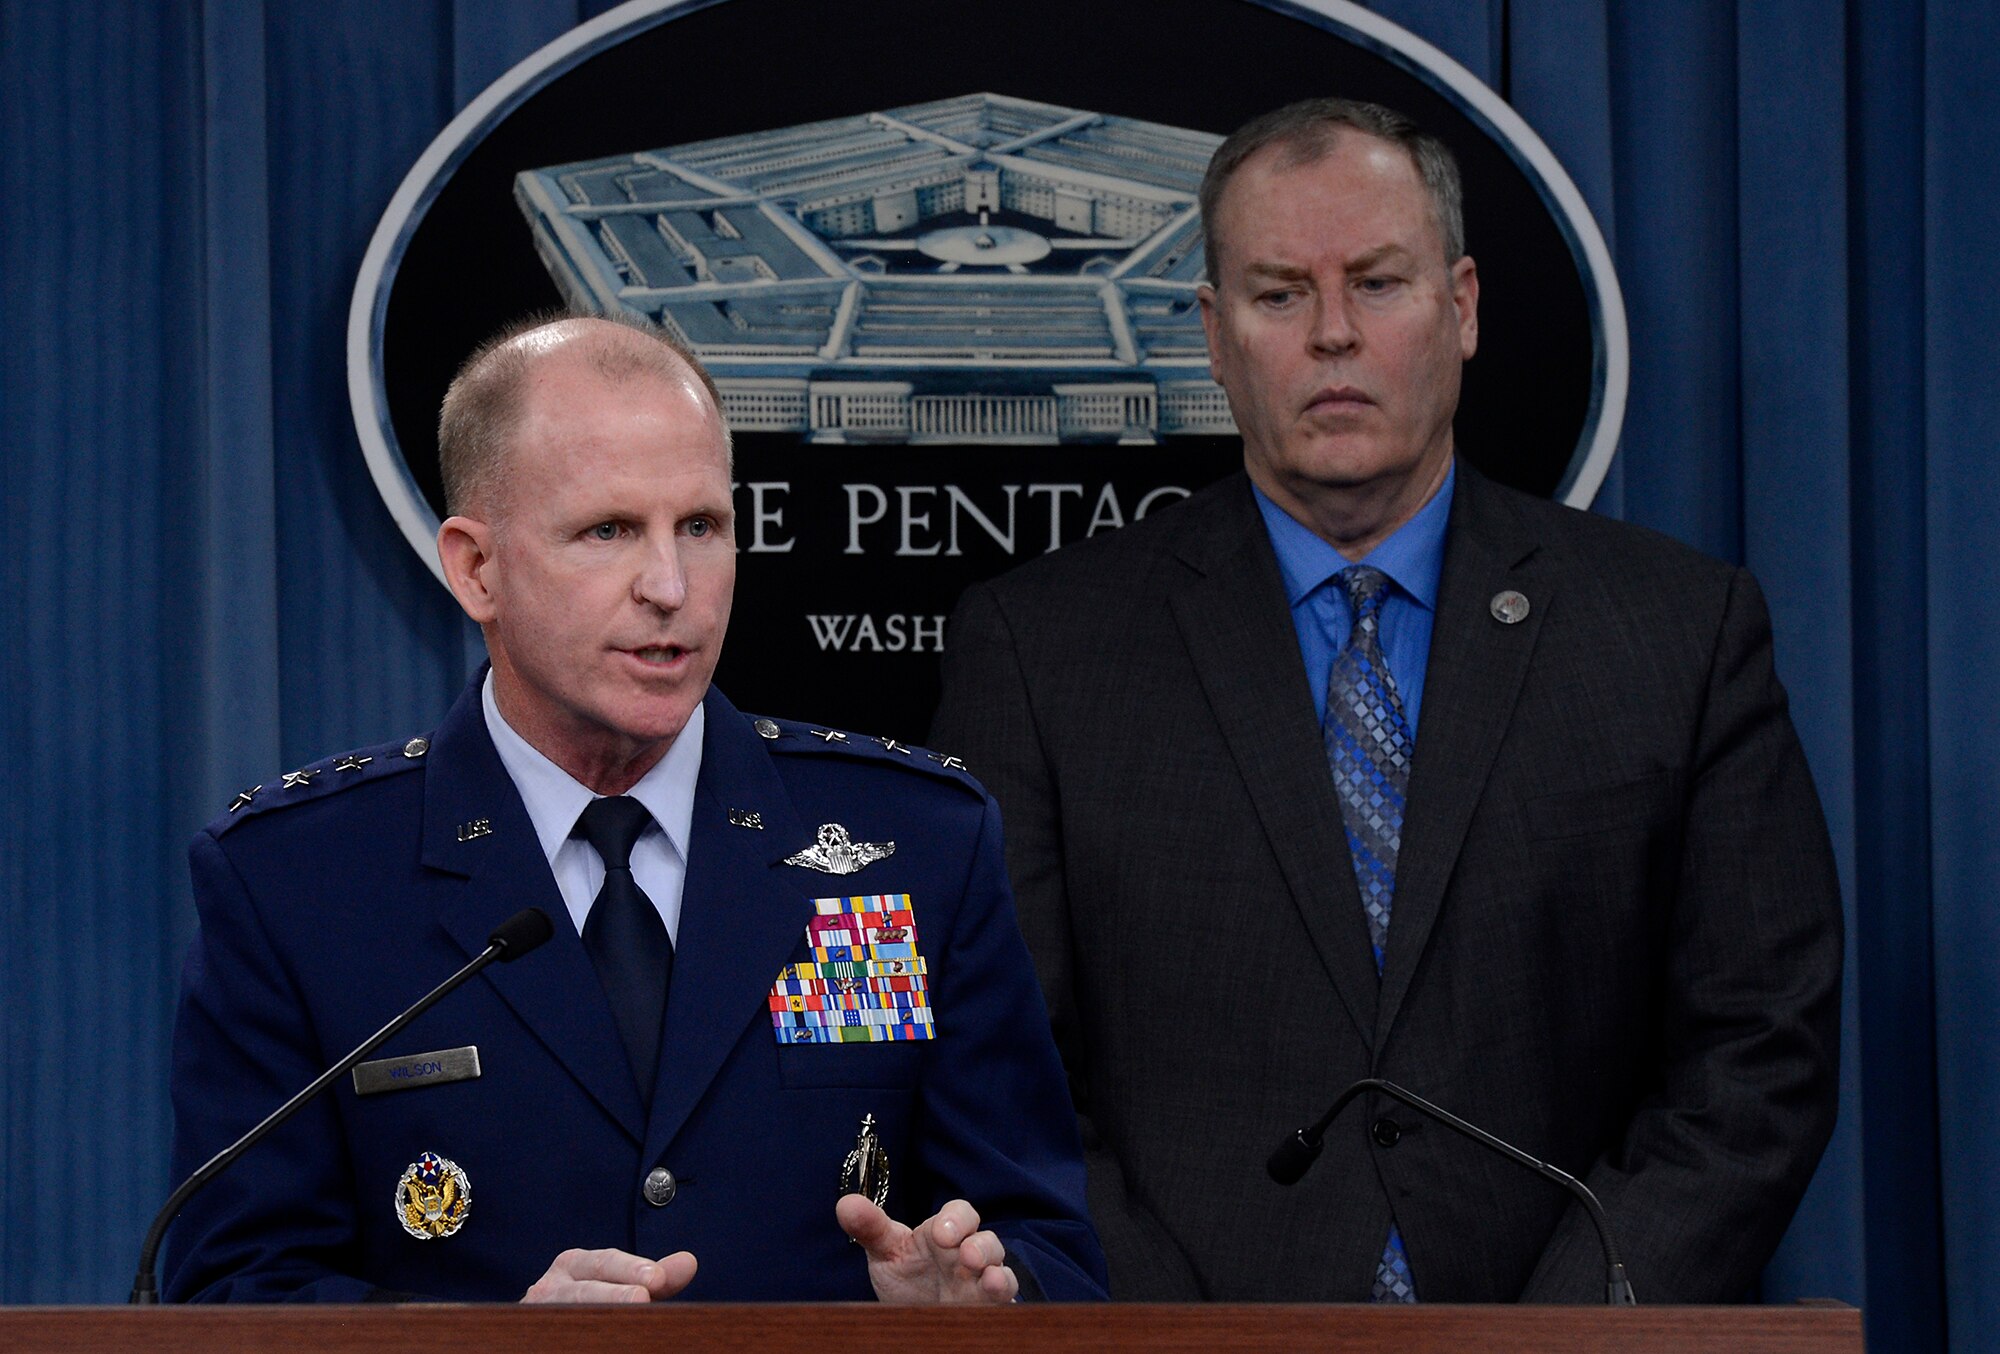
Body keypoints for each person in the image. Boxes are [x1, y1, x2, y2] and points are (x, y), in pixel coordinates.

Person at [930, 98, 1841, 1303]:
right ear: (1212, 333)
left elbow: (1757, 1047)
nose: (1332, 336)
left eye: (1376, 283)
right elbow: (997, 1070)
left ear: (1460, 308)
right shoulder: (1039, 650)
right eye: (1276, 295)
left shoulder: (1675, 634)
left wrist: (1567, 1337)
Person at [165, 315, 1106, 1304]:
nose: (669, 587)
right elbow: (233, 1291)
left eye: (699, 527)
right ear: (476, 566)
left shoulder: (918, 845)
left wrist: (975, 1307)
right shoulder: (297, 881)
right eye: (607, 531)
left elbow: (1050, 1247)